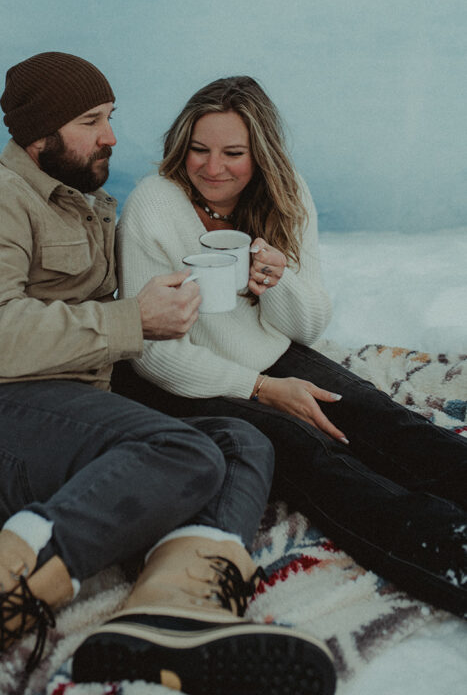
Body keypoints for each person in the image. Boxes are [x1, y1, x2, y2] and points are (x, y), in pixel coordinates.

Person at [0, 54, 336, 695]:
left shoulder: (88, 206)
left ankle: (173, 613)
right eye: (90, 120)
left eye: (110, 118)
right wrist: (133, 321)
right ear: (38, 132)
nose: (111, 135)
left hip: (46, 424)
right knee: (177, 449)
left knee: (241, 442)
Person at [113, 74, 467, 620]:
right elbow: (152, 353)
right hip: (182, 377)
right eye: (199, 150)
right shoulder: (153, 205)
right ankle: (451, 553)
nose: (213, 167)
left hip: (269, 353)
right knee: (318, 459)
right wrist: (260, 389)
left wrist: (282, 280)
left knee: (388, 424)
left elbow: (308, 325)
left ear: (261, 154)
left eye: (233, 152)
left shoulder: (285, 192)